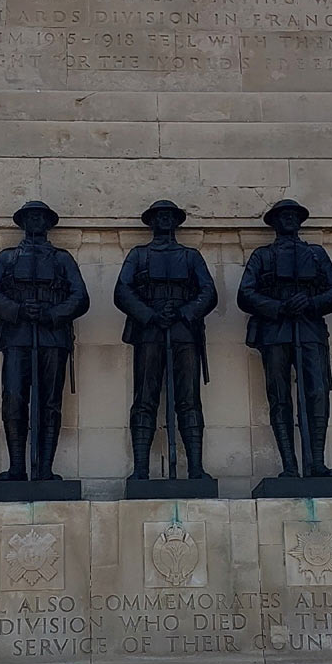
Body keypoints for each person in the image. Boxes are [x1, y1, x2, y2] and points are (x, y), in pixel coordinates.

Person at [0, 201, 88, 482]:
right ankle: (17, 466)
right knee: (14, 398)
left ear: (49, 223)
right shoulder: (7, 258)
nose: (36, 222)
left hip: (52, 336)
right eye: (31, 217)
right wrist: (17, 310)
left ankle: (45, 469)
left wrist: (52, 313)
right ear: (23, 223)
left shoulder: (62, 259)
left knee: (50, 402)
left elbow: (80, 297)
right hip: (17, 336)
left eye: (41, 218)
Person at [238, 199, 332, 477]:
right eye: (283, 216)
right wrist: (278, 306)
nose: (288, 220)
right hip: (275, 330)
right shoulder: (262, 256)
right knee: (280, 396)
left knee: (317, 392)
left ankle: (316, 463)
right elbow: (245, 293)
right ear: (274, 222)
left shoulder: (316, 254)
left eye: (293, 216)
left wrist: (311, 302)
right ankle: (289, 465)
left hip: (309, 328)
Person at [115, 200, 217, 482]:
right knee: (145, 398)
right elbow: (122, 291)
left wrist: (186, 311)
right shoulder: (138, 255)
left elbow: (208, 291)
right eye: (159, 216)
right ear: (151, 221)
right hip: (150, 331)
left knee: (188, 398)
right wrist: (151, 315)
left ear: (176, 221)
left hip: (184, 331)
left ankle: (195, 469)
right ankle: (141, 470)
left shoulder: (191, 256)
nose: (164, 220)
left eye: (169, 216)